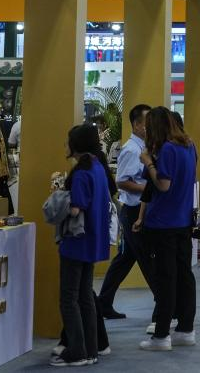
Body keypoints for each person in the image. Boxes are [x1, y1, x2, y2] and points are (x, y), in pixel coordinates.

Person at [51, 124, 116, 367]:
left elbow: (76, 208)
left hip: (76, 242)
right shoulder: (98, 167)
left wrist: (57, 197)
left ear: (76, 145)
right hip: (93, 240)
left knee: (69, 299)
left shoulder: (80, 173)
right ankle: (91, 350)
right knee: (86, 296)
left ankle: (76, 351)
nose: (65, 145)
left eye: (68, 141)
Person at [136, 107, 198, 351]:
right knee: (184, 276)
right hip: (183, 220)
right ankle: (185, 329)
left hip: (163, 223)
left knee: (166, 280)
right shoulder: (189, 146)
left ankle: (161, 335)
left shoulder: (168, 150)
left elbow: (162, 185)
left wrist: (148, 162)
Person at [97, 104, 156, 321]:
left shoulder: (144, 147)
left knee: (125, 259)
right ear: (138, 125)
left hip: (138, 209)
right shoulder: (132, 150)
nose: (152, 127)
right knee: (147, 259)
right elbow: (122, 182)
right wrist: (150, 189)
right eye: (148, 123)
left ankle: (104, 303)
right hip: (133, 211)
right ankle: (164, 303)